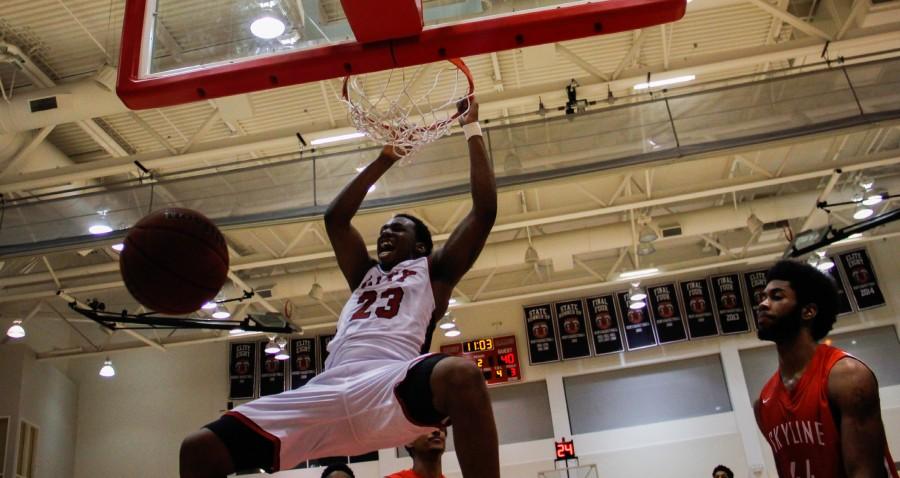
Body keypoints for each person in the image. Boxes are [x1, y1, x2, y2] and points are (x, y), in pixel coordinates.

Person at [179, 98, 499, 478]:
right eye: (382, 229)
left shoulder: (434, 272)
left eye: (397, 229)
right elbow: (336, 219)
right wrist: (385, 158)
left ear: (419, 246)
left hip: (388, 382)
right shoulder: (364, 273)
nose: (385, 232)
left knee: (461, 377)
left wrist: (471, 128)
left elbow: (484, 212)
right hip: (328, 388)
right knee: (199, 449)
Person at [753, 260, 898, 478]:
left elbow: (864, 472)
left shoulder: (848, 377)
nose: (763, 304)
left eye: (776, 296)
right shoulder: (764, 403)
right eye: (763, 297)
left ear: (808, 311)